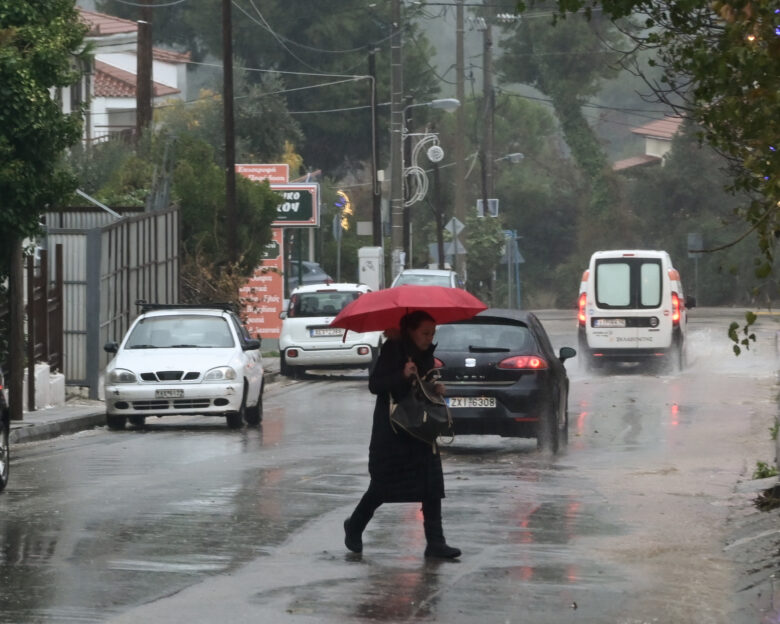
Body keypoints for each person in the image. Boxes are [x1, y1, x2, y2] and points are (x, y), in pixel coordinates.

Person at [343, 310, 461, 559]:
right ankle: (354, 526)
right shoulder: (393, 350)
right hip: (394, 431)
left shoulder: (425, 354)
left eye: (433, 333)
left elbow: (422, 387)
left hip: (420, 429)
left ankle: (436, 542)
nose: (430, 338)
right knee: (383, 486)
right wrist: (401, 375)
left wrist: (434, 387)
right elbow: (375, 385)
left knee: (431, 485)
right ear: (410, 331)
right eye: (425, 333)